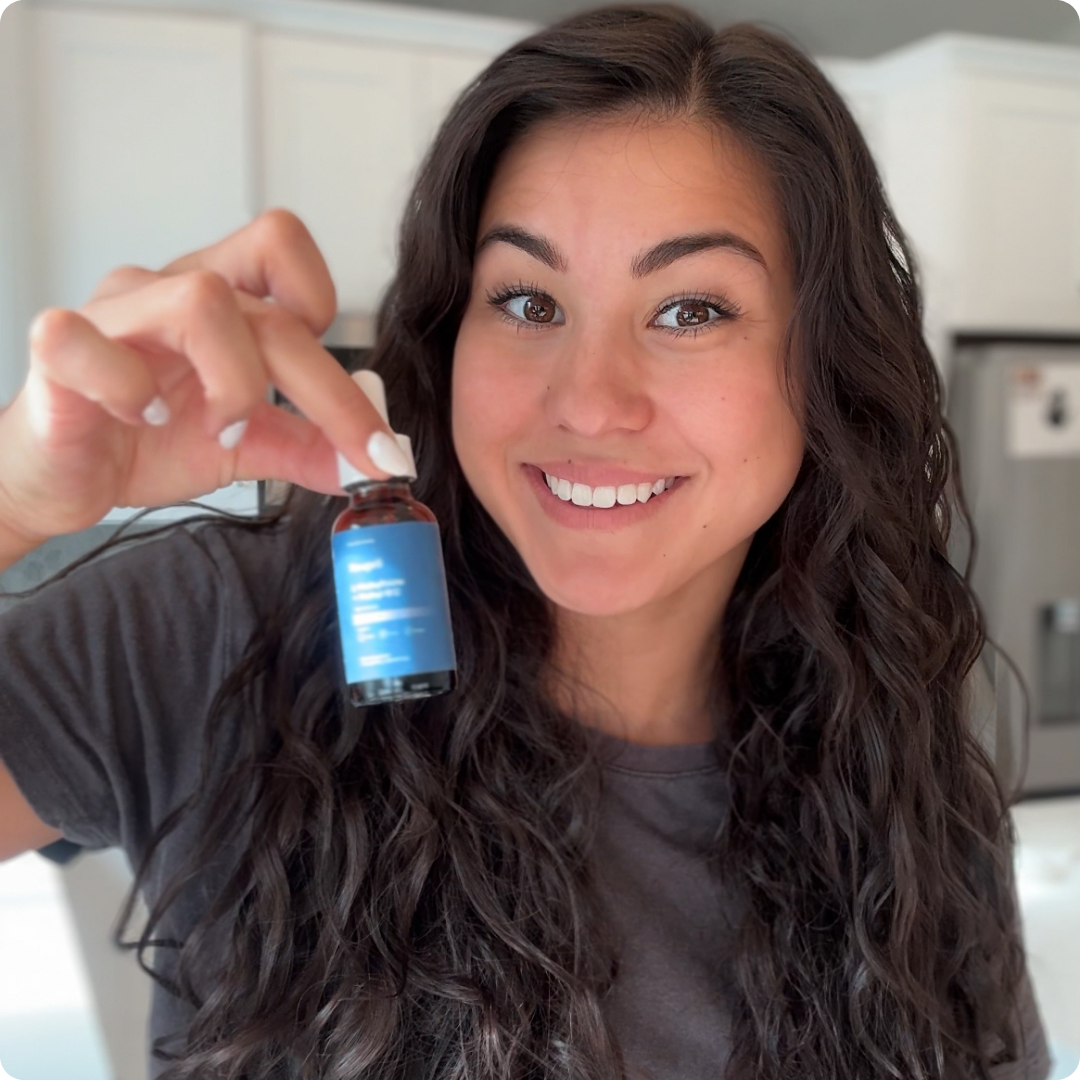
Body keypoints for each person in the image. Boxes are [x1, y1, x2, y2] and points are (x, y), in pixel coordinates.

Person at [0, 5, 1055, 1079]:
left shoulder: (904, 775)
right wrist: (14, 498)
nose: (589, 403)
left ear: (826, 367)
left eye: (690, 309)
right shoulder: (221, 632)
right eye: (526, 299)